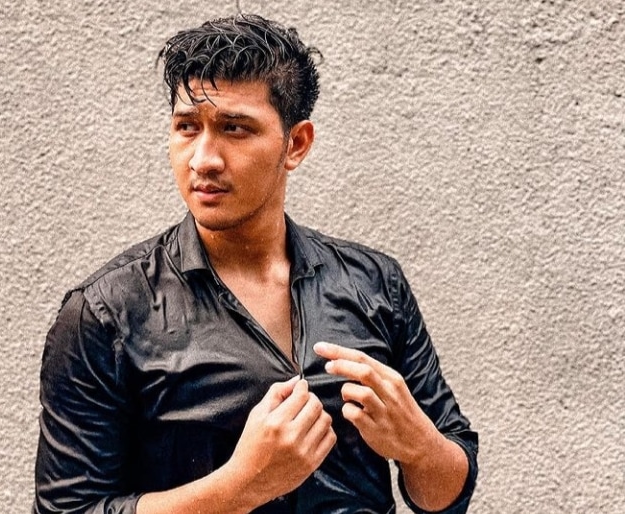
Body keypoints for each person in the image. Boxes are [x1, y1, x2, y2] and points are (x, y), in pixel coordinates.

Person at [34, 13, 478, 514]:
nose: (203, 159)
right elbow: (67, 510)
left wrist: (419, 447)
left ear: (296, 144)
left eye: (234, 128)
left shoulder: (376, 283)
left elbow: (447, 494)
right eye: (187, 127)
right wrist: (240, 487)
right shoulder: (106, 313)